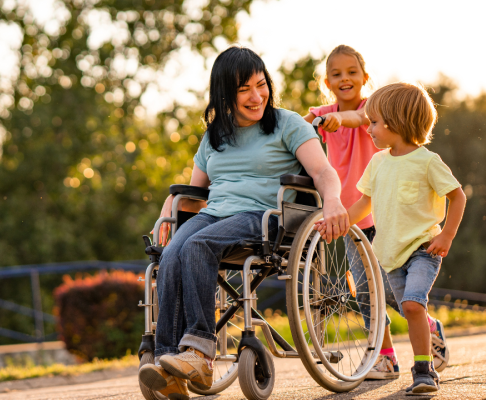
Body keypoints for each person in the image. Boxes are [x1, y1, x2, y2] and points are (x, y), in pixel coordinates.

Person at [137, 46, 349, 400]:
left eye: (261, 84)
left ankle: (201, 354)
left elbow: (323, 171)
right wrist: (166, 210)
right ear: (224, 95)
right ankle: (168, 364)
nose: (257, 96)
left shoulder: (286, 124)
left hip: (263, 216)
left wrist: (334, 201)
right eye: (244, 89)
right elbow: (193, 192)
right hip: (213, 214)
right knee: (172, 252)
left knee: (197, 245)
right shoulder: (214, 137)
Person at [304, 45, 449, 380]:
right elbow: (300, 126)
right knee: (368, 292)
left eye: (352, 72)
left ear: (365, 77)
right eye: (337, 74)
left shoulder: (376, 110)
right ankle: (385, 358)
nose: (345, 79)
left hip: (384, 217)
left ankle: (428, 327)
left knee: (398, 294)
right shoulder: (323, 111)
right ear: (327, 81)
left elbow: (357, 118)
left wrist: (339, 119)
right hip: (351, 215)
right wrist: (299, 126)